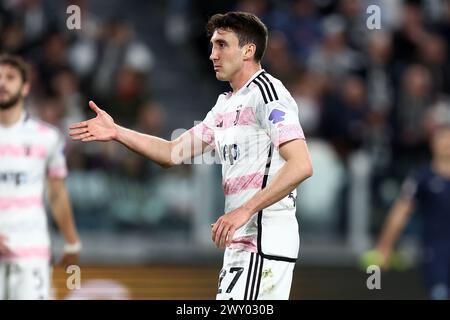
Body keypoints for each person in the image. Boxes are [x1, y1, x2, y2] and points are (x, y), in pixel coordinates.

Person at [69, 11, 313, 300]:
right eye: (212, 46)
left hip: (263, 239)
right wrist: (117, 132)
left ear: (249, 50)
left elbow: (301, 164)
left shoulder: (267, 93)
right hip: (241, 241)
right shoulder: (225, 105)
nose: (212, 54)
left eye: (222, 45)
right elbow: (172, 153)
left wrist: (245, 210)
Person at [0, 54, 81, 300]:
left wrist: (72, 242)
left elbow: (57, 193)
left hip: (31, 252)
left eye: (10, 78)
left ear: (25, 88)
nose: (2, 83)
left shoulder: (47, 137)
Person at [374, 119, 450, 300]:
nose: (447, 143)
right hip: (437, 253)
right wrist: (385, 246)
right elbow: (401, 211)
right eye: (442, 138)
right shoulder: (422, 177)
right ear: (433, 143)